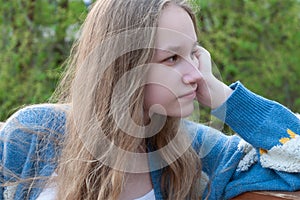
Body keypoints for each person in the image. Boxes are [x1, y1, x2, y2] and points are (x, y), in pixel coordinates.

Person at [1, 0, 300, 199]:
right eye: (172, 58)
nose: (194, 73)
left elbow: (295, 152)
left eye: (194, 53)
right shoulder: (33, 134)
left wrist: (220, 93)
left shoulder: (194, 152)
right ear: (123, 67)